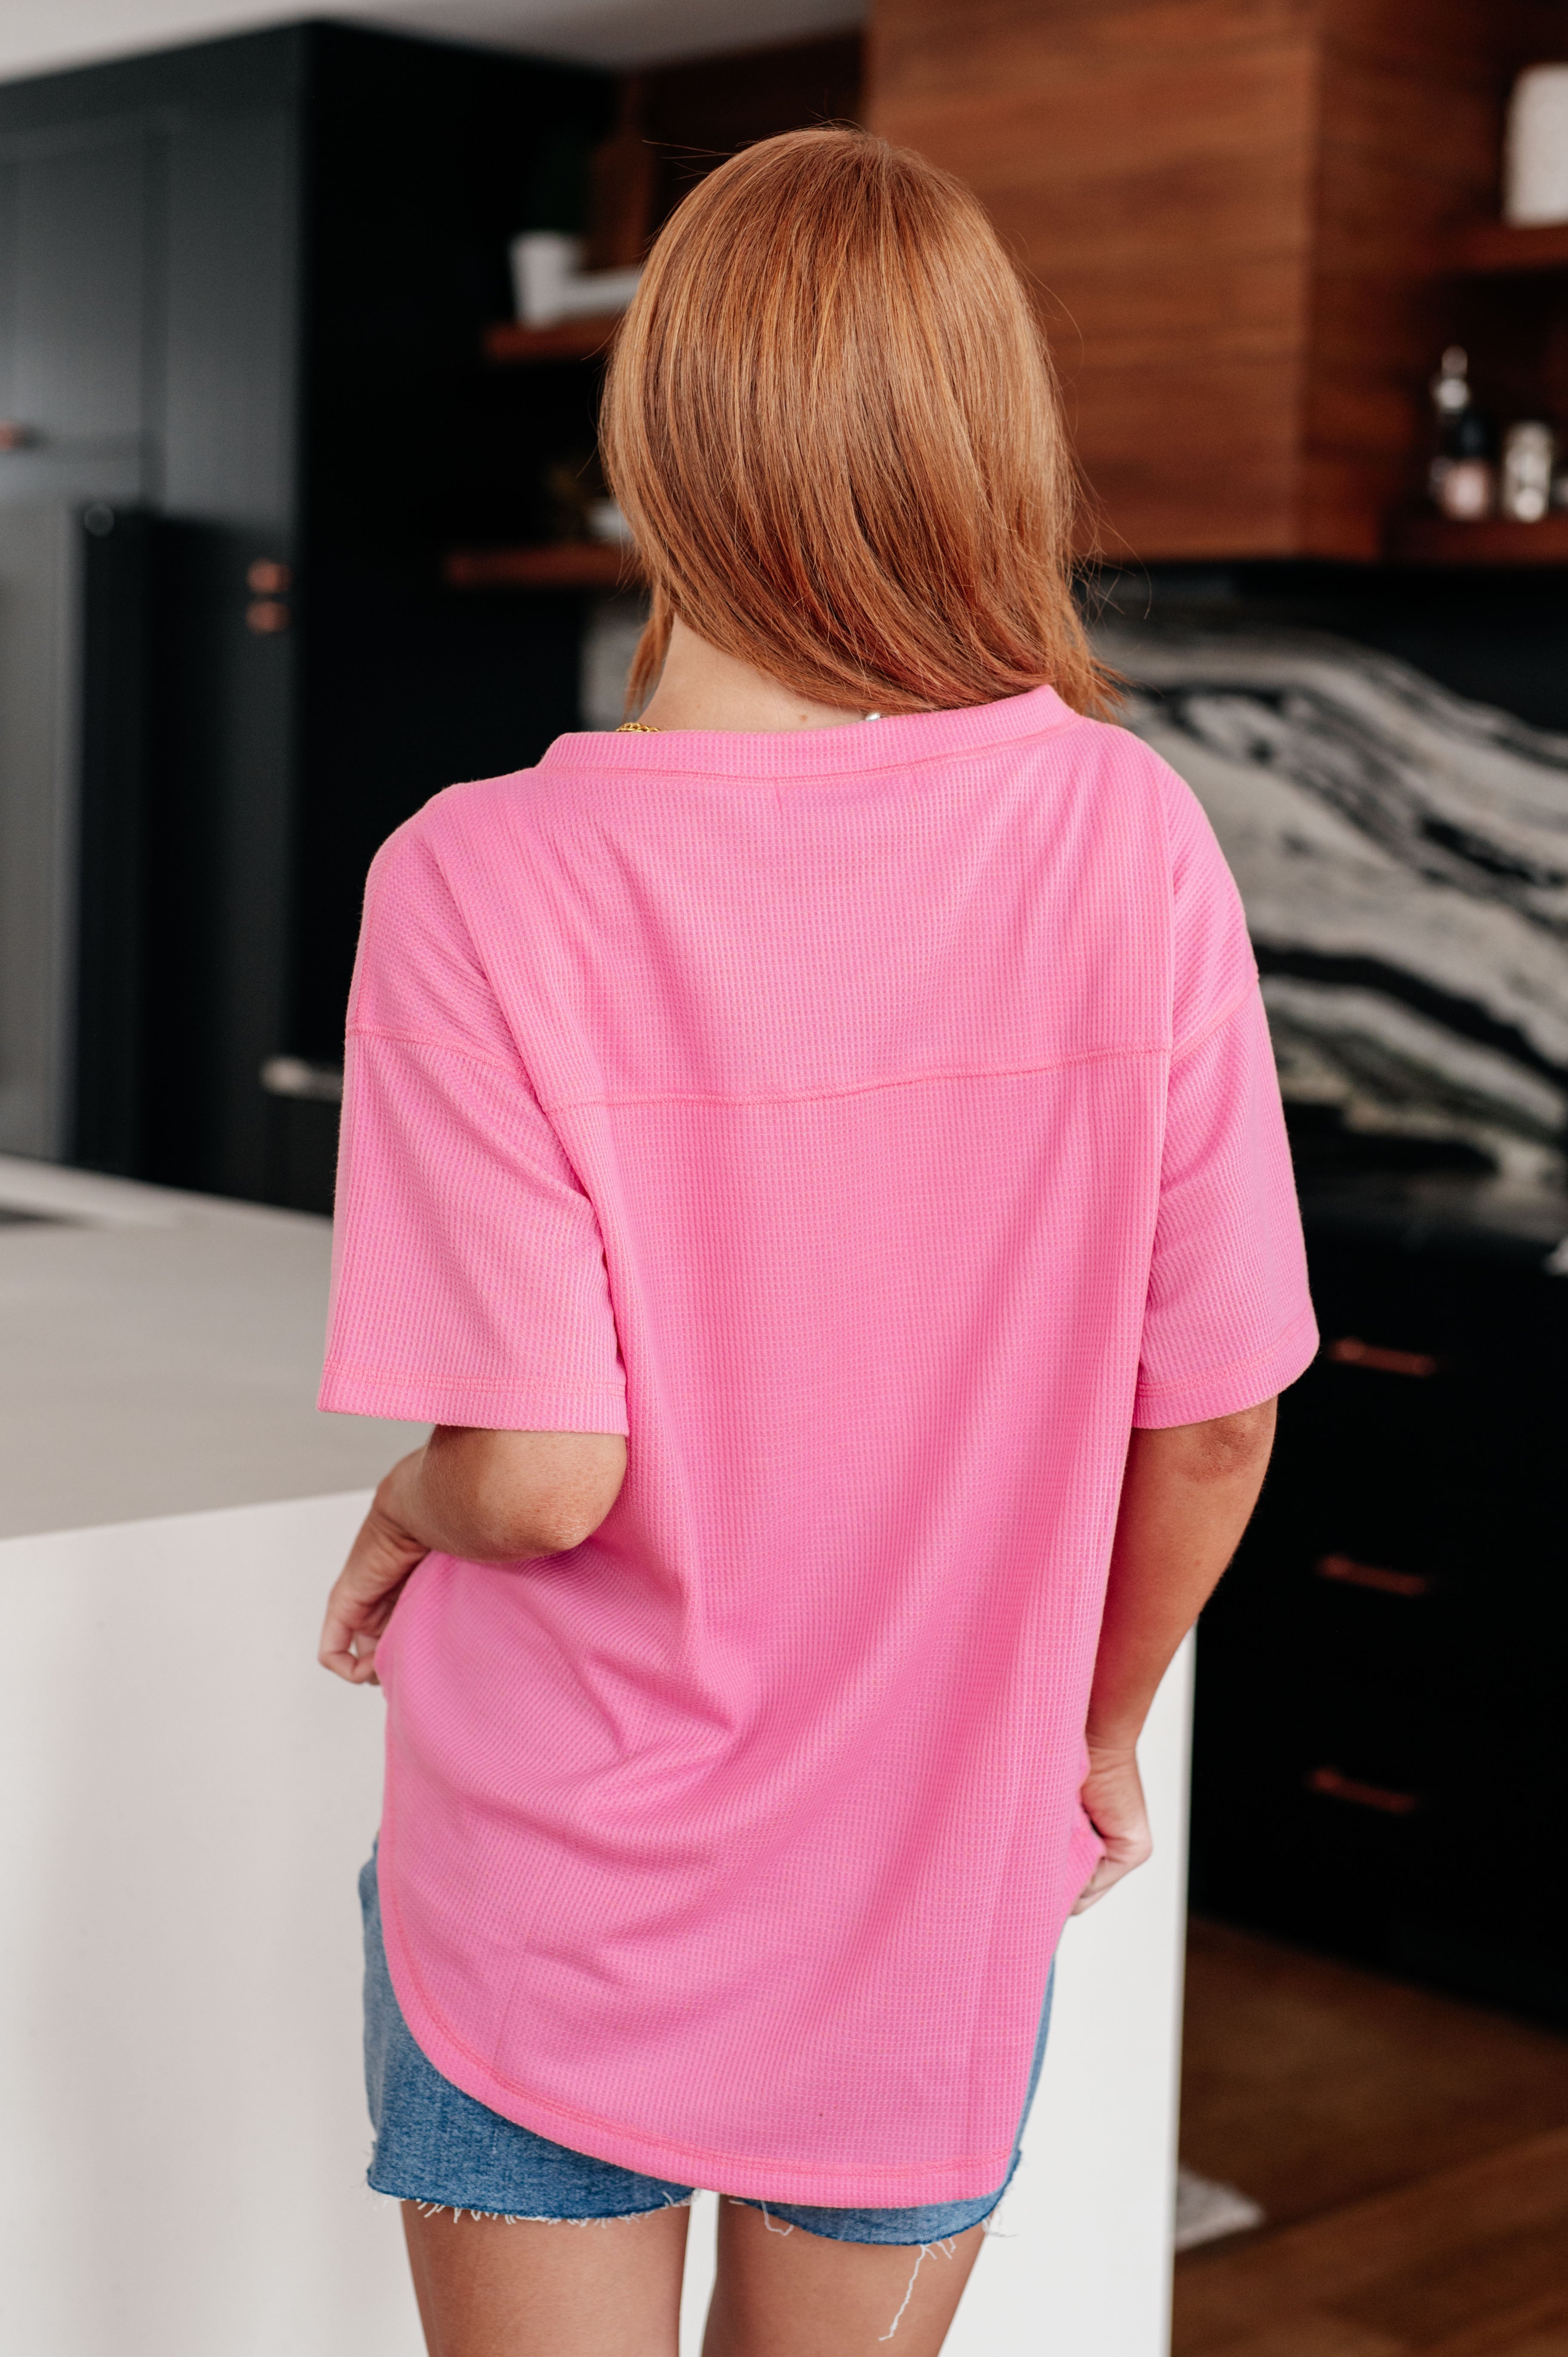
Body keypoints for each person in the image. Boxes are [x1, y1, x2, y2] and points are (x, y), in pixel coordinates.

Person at [316, 126, 1316, 2357]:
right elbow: (1218, 1419)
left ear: (654, 439)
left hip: (557, 1889)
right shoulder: (1128, 837)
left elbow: (534, 1481)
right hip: (927, 1883)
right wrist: (1094, 1730)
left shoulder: (474, 879)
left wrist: (402, 1504)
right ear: (986, 442)